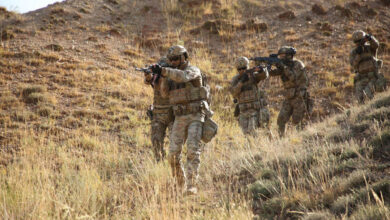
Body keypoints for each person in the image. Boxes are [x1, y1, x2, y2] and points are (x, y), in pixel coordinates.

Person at [151, 45, 213, 195]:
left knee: (192, 149)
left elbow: (183, 77)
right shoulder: (171, 74)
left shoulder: (193, 70)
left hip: (195, 116)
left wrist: (165, 71)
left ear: (184, 57)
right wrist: (159, 78)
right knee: (173, 154)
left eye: (176, 58)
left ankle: (192, 184)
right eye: (170, 59)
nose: (173, 61)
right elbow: (165, 94)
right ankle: (180, 182)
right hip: (179, 117)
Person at [269, 46, 312, 136]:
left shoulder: (298, 64)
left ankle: (301, 140)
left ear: (289, 55)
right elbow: (272, 73)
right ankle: (281, 140)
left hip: (299, 97)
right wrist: (267, 65)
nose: (281, 58)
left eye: (283, 55)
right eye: (280, 56)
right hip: (289, 97)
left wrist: (283, 67)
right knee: (281, 120)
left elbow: (293, 78)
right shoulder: (284, 66)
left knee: (297, 121)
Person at [229, 57, 270, 135]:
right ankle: (251, 146)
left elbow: (263, 76)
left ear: (247, 67)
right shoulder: (236, 79)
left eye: (244, 68)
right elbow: (233, 93)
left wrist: (262, 70)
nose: (242, 70)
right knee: (245, 134)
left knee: (252, 131)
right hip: (243, 111)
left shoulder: (253, 76)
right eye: (239, 69)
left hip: (254, 110)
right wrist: (241, 82)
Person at [143, 57, 174, 162]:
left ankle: (174, 163)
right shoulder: (155, 78)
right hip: (158, 114)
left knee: (174, 144)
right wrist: (148, 76)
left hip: (172, 115)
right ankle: (159, 162)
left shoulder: (173, 78)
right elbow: (148, 81)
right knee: (156, 141)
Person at [350, 30, 386, 103]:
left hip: (373, 76)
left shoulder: (370, 48)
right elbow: (353, 65)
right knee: (360, 99)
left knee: (368, 94)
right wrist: (358, 55)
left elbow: (376, 45)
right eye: (358, 42)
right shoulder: (354, 52)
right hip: (361, 78)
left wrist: (371, 38)